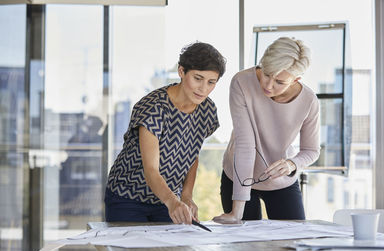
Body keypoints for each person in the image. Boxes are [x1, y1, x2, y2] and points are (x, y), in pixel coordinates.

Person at [105, 42, 226, 224]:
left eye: (211, 82)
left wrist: (186, 196)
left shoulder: (207, 110)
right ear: (181, 71)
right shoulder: (153, 107)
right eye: (198, 78)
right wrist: (173, 202)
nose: (203, 89)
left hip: (168, 199)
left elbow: (192, 156)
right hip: (127, 197)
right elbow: (151, 169)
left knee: (170, 250)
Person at [213, 37, 320, 223]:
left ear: (295, 79)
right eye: (266, 73)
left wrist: (291, 164)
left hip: (281, 182)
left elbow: (311, 151)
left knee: (291, 244)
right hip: (238, 178)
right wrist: (236, 212)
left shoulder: (309, 101)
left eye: (279, 81)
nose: (268, 85)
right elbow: (245, 144)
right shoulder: (242, 82)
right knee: (245, 246)